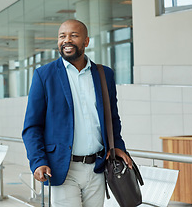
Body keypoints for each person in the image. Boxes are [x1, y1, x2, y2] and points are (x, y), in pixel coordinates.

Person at [22, 19, 132, 207]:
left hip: (97, 168)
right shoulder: (44, 75)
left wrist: (118, 146)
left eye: (73, 35)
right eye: (62, 36)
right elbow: (32, 126)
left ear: (86, 41)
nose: (67, 40)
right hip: (63, 169)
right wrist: (38, 161)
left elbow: (112, 117)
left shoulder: (105, 75)